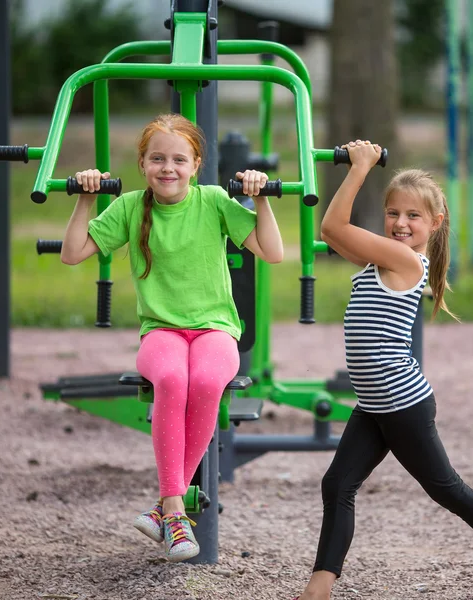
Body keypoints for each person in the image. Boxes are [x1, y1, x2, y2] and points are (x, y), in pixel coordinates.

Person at [292, 140, 473, 600]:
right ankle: (317, 591)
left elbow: (333, 224)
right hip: (376, 404)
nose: (399, 224)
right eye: (393, 213)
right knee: (338, 484)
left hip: (401, 405)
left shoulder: (404, 260)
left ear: (433, 224)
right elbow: (334, 235)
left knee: (447, 489)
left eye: (413, 216)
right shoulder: (382, 258)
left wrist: (360, 167)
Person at [60, 113, 283, 562]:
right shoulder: (130, 208)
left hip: (216, 329)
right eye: (157, 158)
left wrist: (261, 200)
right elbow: (72, 254)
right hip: (160, 330)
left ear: (196, 164)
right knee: (172, 380)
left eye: (179, 159)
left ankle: (167, 507)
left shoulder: (215, 201)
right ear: (142, 164)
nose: (168, 168)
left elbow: (273, 252)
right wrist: (85, 199)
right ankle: (176, 507)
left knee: (204, 382)